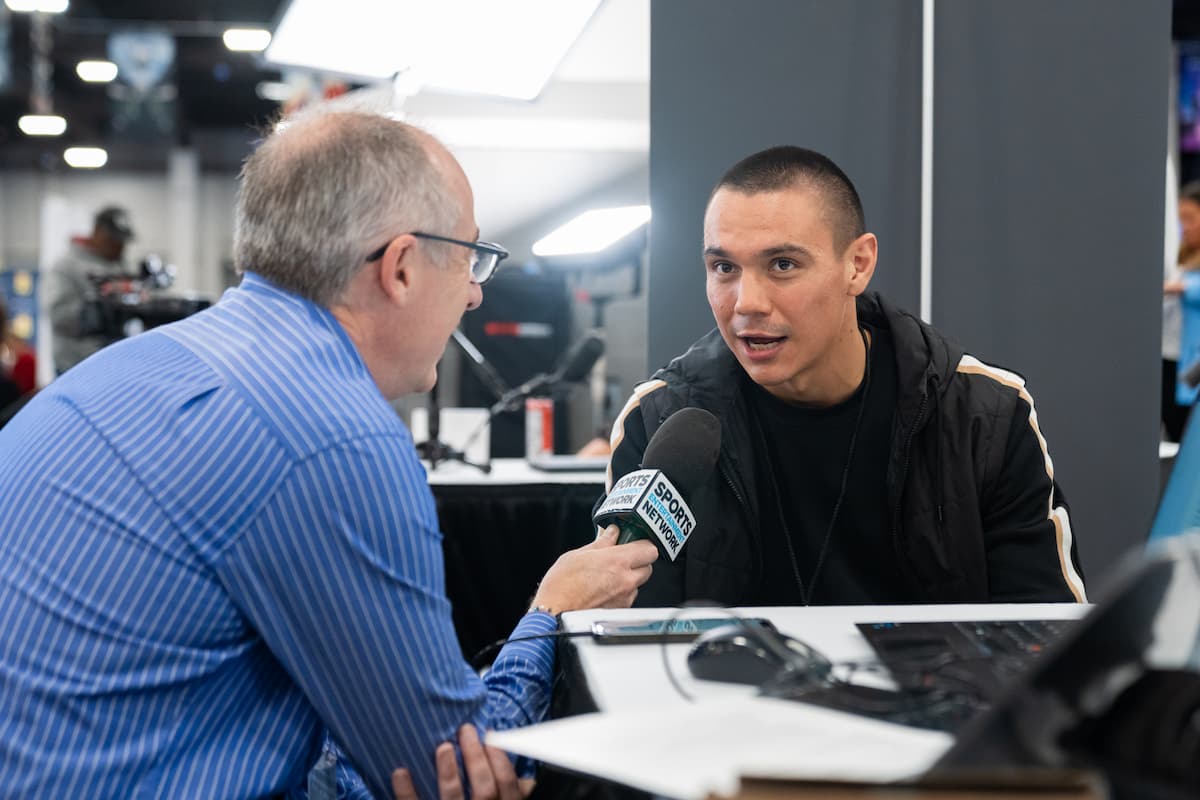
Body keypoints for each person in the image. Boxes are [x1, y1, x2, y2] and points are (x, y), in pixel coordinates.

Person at [0, 108, 658, 799]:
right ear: (401, 268)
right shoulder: (334, 439)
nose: (473, 293)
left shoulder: (127, 367)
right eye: (470, 258)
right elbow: (456, 778)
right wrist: (551, 613)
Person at [604, 145, 1086, 608]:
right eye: (724, 267)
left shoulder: (984, 417)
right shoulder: (660, 420)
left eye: (783, 264)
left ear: (857, 265)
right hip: (723, 692)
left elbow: (1043, 636)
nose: (746, 302)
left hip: (932, 692)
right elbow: (628, 641)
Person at [46, 204, 137, 373]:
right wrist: (101, 305)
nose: (120, 247)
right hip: (76, 367)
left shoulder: (121, 267)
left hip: (115, 365)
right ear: (98, 232)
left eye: (122, 242)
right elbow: (59, 316)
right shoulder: (66, 266)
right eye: (114, 240)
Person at [1164, 181, 1200, 441]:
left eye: (1190, 219)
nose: (1184, 227)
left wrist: (1177, 287)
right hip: (1173, 359)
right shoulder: (1185, 258)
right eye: (1181, 220)